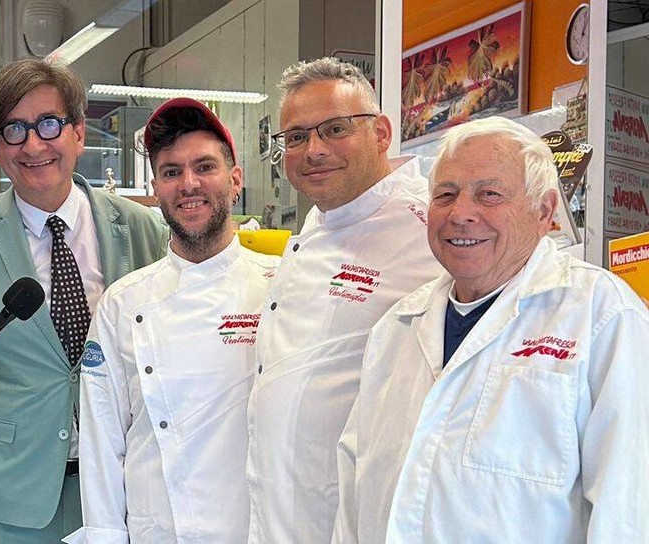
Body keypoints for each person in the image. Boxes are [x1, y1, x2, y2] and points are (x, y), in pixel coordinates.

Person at [332, 117, 649, 543]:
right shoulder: (396, 328)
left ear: (544, 212)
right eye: (445, 194)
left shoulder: (601, 315)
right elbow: (355, 492)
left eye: (490, 194)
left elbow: (628, 510)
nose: (461, 213)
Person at [0, 58, 169, 542]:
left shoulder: (140, 229)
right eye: (13, 130)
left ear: (78, 132)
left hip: (119, 487)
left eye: (49, 124)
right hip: (9, 494)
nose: (33, 146)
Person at [246, 57, 443, 543]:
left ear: (381, 133)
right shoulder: (321, 218)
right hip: (281, 514)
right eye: (296, 137)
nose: (314, 150)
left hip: (364, 517)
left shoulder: (432, 226)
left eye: (335, 129)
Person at [66, 98, 280, 544]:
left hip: (255, 528)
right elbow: (102, 441)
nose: (189, 184)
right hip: (159, 529)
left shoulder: (278, 287)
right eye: (171, 172)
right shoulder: (122, 303)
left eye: (205, 167)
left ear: (235, 180)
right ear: (156, 189)